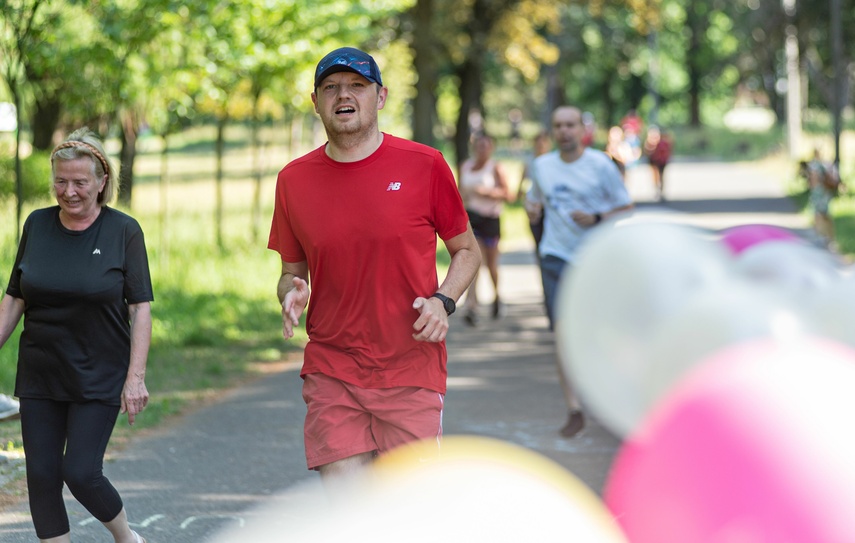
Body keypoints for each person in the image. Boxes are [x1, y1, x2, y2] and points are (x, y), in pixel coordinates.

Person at [267, 47, 480, 484]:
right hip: (333, 368)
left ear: (380, 97)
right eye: (331, 88)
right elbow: (292, 272)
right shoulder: (293, 180)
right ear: (316, 102)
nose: (344, 95)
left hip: (410, 367)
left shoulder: (425, 165)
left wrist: (443, 301)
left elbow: (467, 250)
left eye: (357, 86)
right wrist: (291, 290)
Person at [0, 128, 152, 543]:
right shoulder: (37, 224)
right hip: (41, 371)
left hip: (99, 372)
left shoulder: (124, 231)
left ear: (102, 182)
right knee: (43, 474)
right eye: (60, 181)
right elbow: (15, 296)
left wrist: (135, 377)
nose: (68, 192)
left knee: (81, 472)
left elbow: (140, 308)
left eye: (79, 182)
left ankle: (127, 538)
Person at [526, 106, 634, 438]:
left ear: (583, 129)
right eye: (558, 125)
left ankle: (611, 395)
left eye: (570, 125)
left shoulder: (600, 165)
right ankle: (574, 408)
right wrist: (532, 213)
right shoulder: (542, 166)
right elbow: (534, 203)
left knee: (600, 332)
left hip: (595, 259)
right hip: (555, 257)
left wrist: (597, 218)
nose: (564, 131)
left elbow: (626, 207)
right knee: (563, 334)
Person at [458, 133, 511, 325]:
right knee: (474, 260)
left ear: (491, 148)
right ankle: (471, 305)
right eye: (479, 145)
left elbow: (508, 194)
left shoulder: (495, 167)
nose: (482, 149)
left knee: (491, 264)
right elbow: (459, 191)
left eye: (485, 146)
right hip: (471, 218)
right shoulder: (465, 166)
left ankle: (497, 296)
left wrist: (486, 192)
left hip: (490, 218)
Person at [517, 131, 553, 252]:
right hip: (535, 205)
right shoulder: (530, 161)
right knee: (538, 239)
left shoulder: (553, 161)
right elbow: (523, 181)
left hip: (549, 205)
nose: (541, 145)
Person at [807, 148, 839, 248]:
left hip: (817, 192)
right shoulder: (825, 164)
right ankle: (827, 237)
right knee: (824, 214)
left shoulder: (814, 165)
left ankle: (820, 236)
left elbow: (811, 181)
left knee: (819, 214)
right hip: (824, 192)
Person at [643, 126, 672, 200]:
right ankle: (657, 189)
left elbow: (668, 151)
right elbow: (647, 151)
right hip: (654, 161)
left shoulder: (663, 142)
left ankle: (660, 190)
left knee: (661, 175)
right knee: (655, 175)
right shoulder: (649, 142)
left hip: (661, 161)